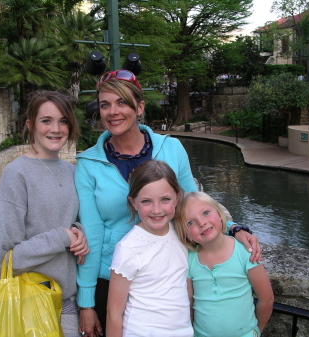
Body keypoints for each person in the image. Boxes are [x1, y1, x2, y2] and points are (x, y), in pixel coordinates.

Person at [74, 69, 262, 337]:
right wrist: (86, 303)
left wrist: (231, 228)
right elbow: (92, 233)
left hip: (168, 276)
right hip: (114, 280)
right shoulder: (88, 165)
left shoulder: (171, 148)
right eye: (105, 104)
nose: (113, 111)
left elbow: (192, 203)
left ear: (139, 107)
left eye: (122, 102)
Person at [0, 90, 89, 337]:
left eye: (63, 121)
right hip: (28, 300)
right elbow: (5, 258)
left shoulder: (72, 171)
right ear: (30, 125)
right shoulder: (16, 174)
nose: (56, 128)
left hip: (66, 301)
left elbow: (71, 221)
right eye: (46, 120)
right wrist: (63, 237)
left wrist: (79, 233)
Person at [106, 160, 193, 337]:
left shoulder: (182, 232)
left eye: (165, 200)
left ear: (177, 197)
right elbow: (114, 314)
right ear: (133, 203)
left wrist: (235, 230)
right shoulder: (128, 248)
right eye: (146, 201)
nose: (156, 210)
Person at [174, 191, 274, 337]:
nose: (202, 223)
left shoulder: (244, 252)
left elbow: (266, 299)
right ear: (185, 233)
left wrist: (256, 331)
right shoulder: (189, 259)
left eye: (206, 213)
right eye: (190, 222)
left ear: (221, 215)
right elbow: (189, 303)